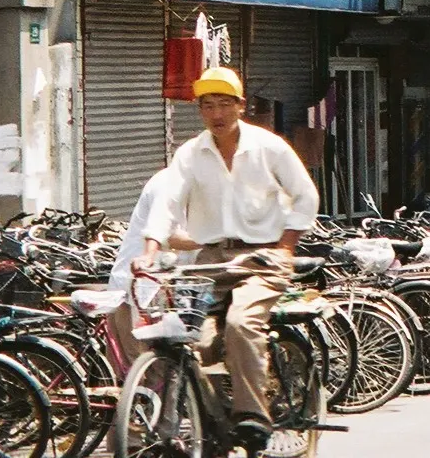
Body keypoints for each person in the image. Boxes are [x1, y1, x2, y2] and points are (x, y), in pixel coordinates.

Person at [143, 67, 319, 455]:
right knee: (193, 341)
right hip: (209, 259)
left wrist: (286, 245)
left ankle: (253, 416)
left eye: (225, 104)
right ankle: (212, 429)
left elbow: (305, 196)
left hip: (263, 254)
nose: (217, 113)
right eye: (209, 106)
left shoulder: (268, 147)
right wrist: (152, 247)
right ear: (200, 111)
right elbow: (168, 201)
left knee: (241, 322)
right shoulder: (190, 153)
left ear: (241, 106)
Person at [107, 165, 187, 359]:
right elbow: (166, 235)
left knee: (169, 368)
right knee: (142, 369)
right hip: (138, 290)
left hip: (162, 289)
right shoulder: (168, 183)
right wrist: (213, 238)